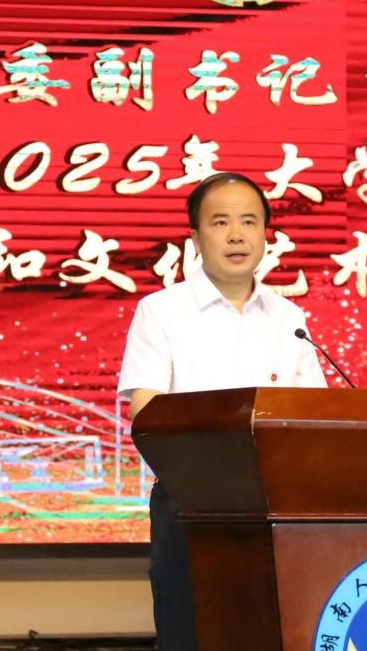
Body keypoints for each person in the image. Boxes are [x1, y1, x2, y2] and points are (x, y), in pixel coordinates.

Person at [117, 171, 327, 650]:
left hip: (278, 511)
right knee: (193, 636)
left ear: (265, 235)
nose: (237, 235)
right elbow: (147, 415)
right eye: (221, 222)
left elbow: (315, 415)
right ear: (195, 238)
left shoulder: (289, 318)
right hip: (191, 507)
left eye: (249, 222)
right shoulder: (161, 311)